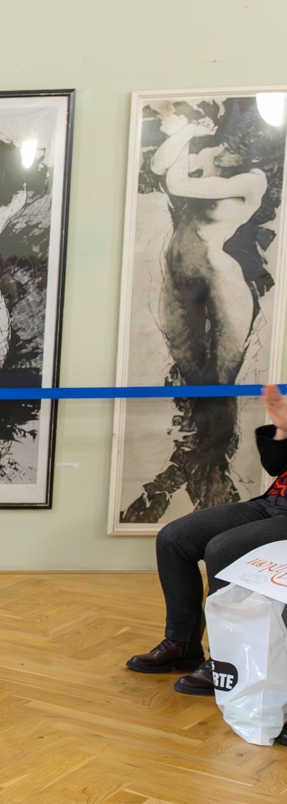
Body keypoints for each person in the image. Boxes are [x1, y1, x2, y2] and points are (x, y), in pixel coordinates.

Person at [121, 100, 281, 522]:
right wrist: (187, 133)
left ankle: (205, 489)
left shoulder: (252, 180)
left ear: (253, 156)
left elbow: (176, 183)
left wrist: (190, 135)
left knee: (219, 384)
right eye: (228, 144)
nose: (225, 152)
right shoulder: (212, 157)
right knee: (192, 377)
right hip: (180, 278)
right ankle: (192, 479)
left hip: (219, 279)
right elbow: (159, 165)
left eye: (236, 150)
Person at [127, 385, 287, 695]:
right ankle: (183, 642)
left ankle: (227, 661)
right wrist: (282, 429)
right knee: (174, 538)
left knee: (223, 549)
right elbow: (275, 466)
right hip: (273, 503)